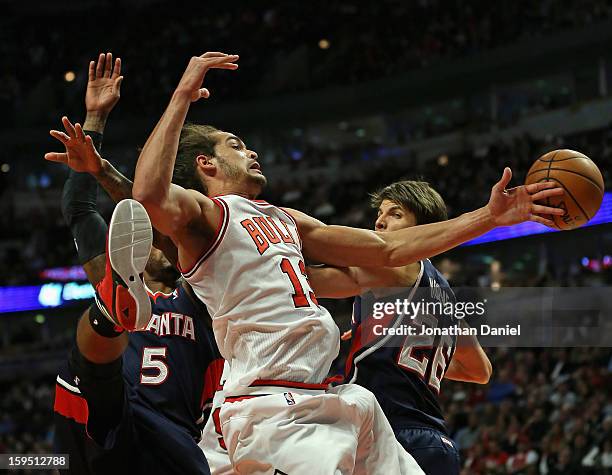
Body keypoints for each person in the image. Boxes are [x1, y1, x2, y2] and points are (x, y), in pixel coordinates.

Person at [130, 52, 564, 474]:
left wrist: (491, 216)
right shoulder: (206, 215)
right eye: (236, 145)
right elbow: (149, 195)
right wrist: (182, 96)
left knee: (363, 404)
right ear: (206, 163)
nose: (252, 152)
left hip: (333, 400)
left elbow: (387, 250)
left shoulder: (288, 219)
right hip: (270, 402)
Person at [47, 53, 222, 475]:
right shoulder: (107, 268)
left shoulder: (199, 290)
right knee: (88, 382)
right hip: (110, 414)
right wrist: (94, 118)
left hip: (173, 430)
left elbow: (172, 229)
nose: (161, 246)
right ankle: (115, 309)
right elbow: (79, 208)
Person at [306, 180, 493, 475]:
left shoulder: (396, 266)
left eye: (396, 214)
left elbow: (312, 276)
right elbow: (480, 371)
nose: (380, 220)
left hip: (390, 436)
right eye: (380, 213)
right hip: (435, 442)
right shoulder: (447, 298)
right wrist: (398, 340)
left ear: (424, 227)